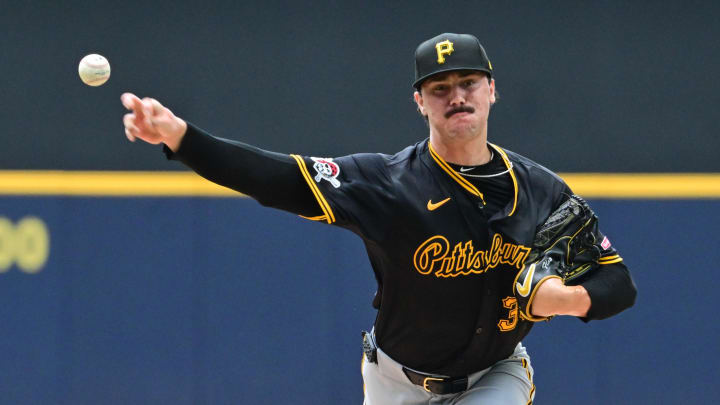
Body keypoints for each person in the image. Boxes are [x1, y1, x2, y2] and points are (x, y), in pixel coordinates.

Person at [121, 33, 637, 404]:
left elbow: (617, 278)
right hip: (395, 383)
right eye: (439, 87)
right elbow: (276, 177)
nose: (456, 95)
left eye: (468, 81)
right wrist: (181, 138)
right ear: (420, 102)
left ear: (491, 90)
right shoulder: (387, 184)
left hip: (495, 375)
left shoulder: (539, 190)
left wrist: (568, 299)